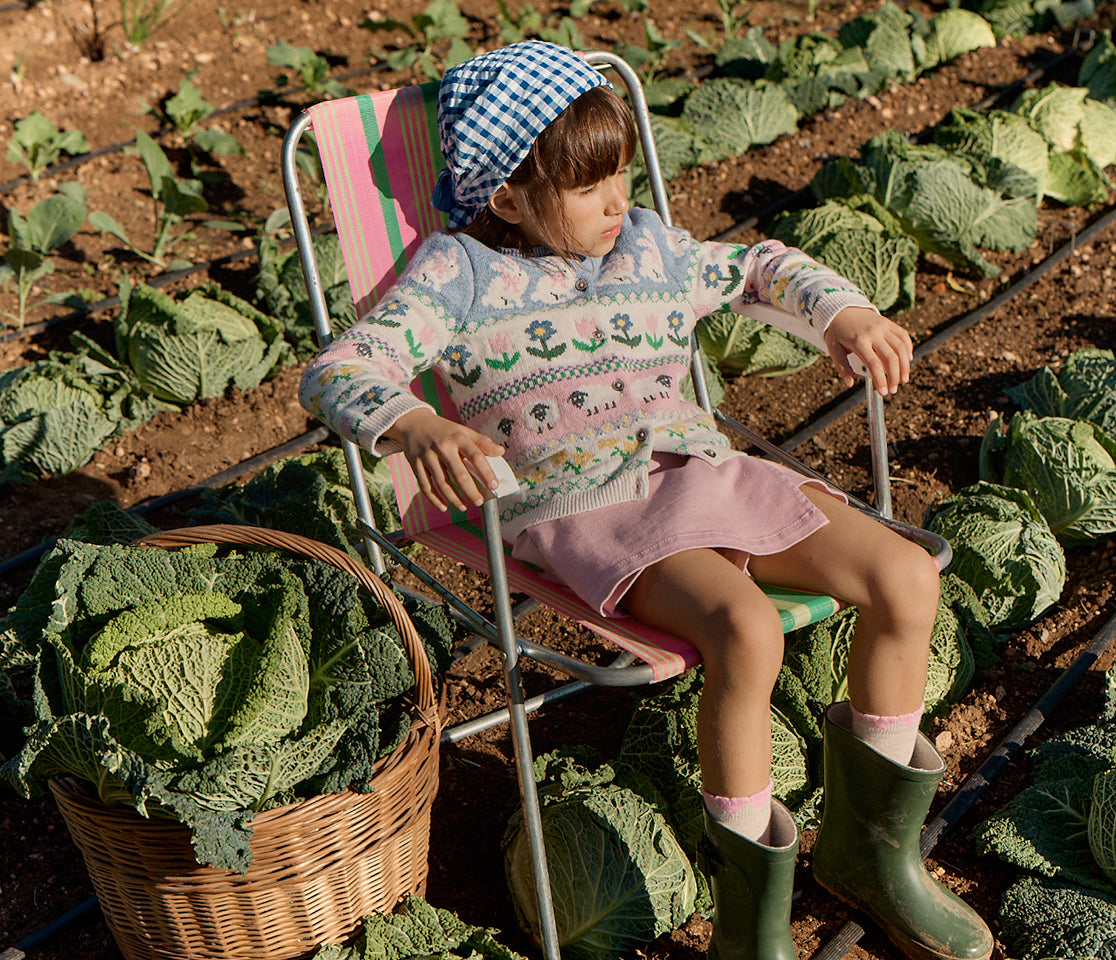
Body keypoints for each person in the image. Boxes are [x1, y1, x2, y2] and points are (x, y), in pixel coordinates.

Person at [300, 41, 992, 960]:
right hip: (586, 504)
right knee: (746, 632)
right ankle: (752, 930)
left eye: (622, 174)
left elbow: (757, 267)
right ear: (507, 198)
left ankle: (874, 859)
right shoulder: (458, 274)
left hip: (704, 470)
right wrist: (415, 426)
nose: (618, 201)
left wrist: (842, 312)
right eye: (590, 188)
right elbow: (340, 368)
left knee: (906, 576)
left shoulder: (650, 247)